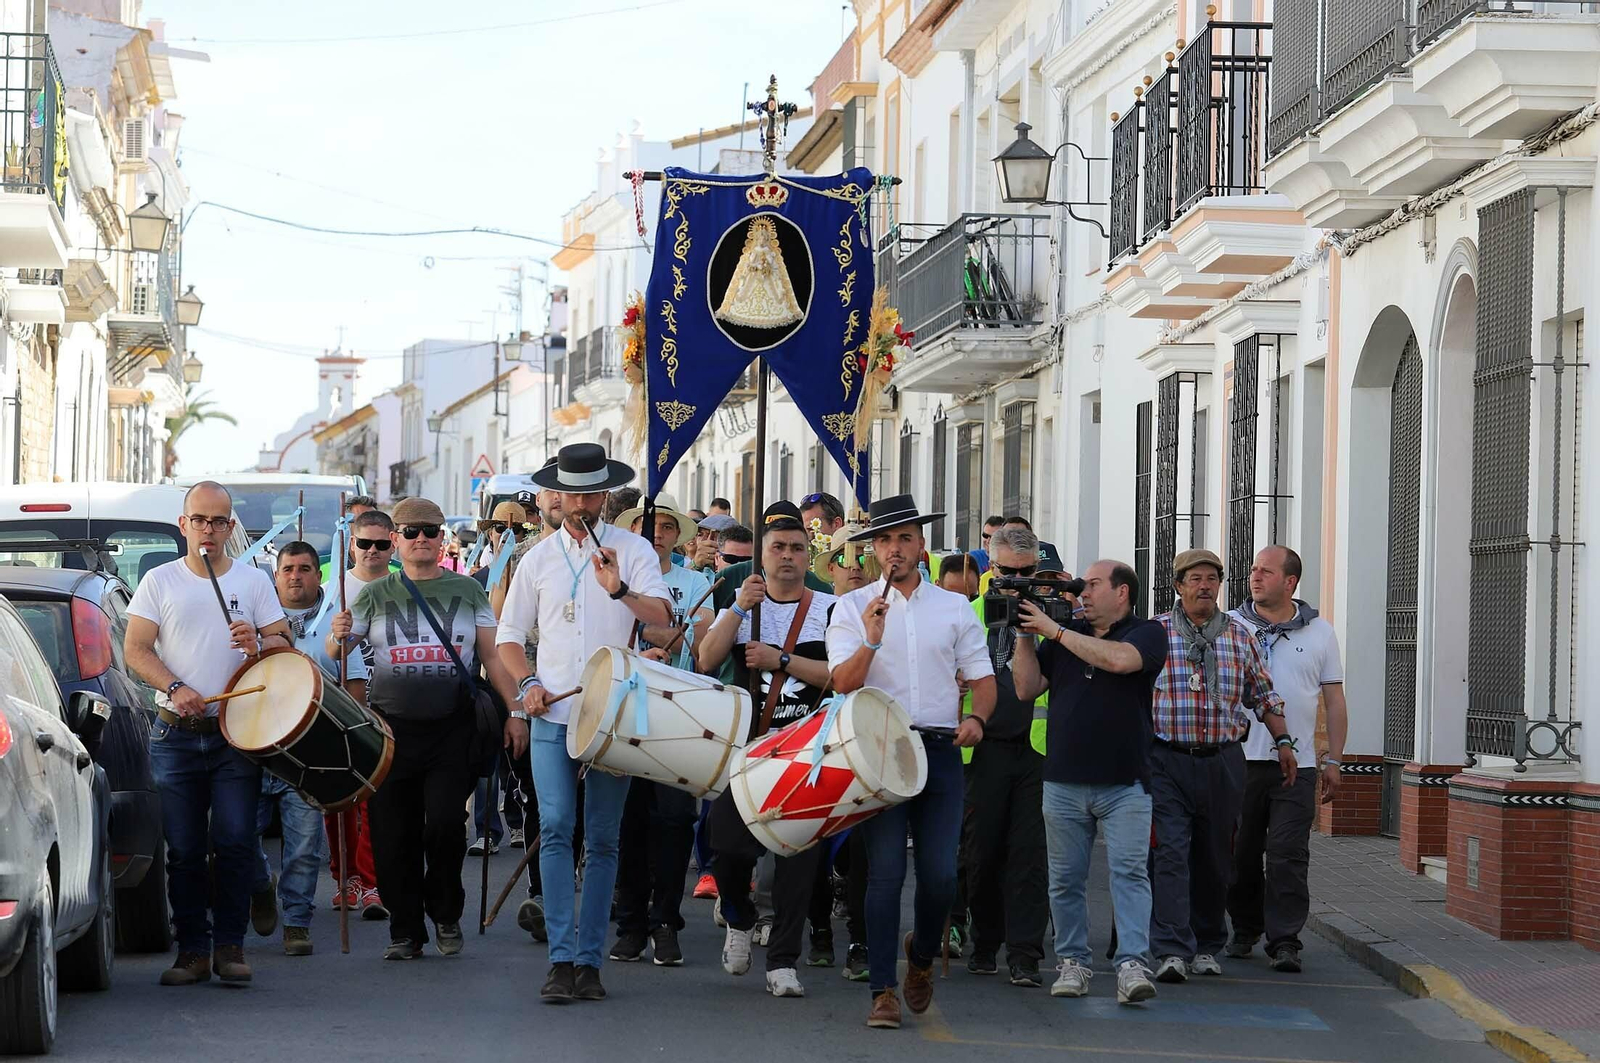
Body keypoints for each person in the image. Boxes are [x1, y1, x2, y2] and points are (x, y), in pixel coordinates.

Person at [495, 443, 672, 1004]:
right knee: (554, 827)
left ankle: (590, 962)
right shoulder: (538, 559)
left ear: (603, 496)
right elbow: (507, 638)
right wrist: (528, 685)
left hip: (612, 715)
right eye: (570, 493)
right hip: (553, 713)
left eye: (589, 493)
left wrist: (618, 588)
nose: (579, 503)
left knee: (601, 839)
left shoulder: (634, 549)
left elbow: (665, 623)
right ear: (556, 496)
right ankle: (560, 958)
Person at [327, 496, 526, 961]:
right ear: (395, 539)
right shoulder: (373, 594)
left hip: (451, 727)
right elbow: (338, 654)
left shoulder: (469, 590)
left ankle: (446, 913)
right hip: (390, 730)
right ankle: (405, 928)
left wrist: (515, 711)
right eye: (411, 532)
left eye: (430, 532)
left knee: (443, 826)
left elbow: (494, 658)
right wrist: (338, 634)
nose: (421, 539)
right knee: (393, 834)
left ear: (443, 540)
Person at [826, 493, 996, 1030]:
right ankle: (882, 990)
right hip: (879, 750)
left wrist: (979, 720)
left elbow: (984, 680)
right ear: (873, 550)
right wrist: (871, 641)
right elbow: (842, 683)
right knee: (885, 874)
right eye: (884, 540)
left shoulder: (952, 607)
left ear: (922, 545)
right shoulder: (853, 610)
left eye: (904, 538)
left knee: (942, 876)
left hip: (941, 749)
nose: (894, 549)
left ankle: (920, 958)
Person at [124, 481, 294, 986]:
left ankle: (229, 947)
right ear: (184, 525)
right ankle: (193, 950)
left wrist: (259, 643)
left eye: (219, 521)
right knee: (184, 848)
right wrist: (175, 687)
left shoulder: (254, 581)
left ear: (231, 527)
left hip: (235, 732)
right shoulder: (159, 581)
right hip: (176, 732)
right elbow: (136, 649)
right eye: (199, 519)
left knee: (237, 838)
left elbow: (284, 642)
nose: (209, 530)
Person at [696, 501, 838, 997]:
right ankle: (738, 916)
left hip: (806, 753)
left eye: (797, 549)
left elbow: (841, 676)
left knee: (799, 862)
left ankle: (782, 962)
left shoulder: (830, 609)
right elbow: (706, 661)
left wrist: (782, 660)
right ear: (761, 555)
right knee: (729, 847)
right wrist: (737, 610)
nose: (787, 557)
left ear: (807, 557)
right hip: (748, 750)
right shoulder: (742, 602)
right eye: (777, 547)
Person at [1009, 558, 1164, 1004]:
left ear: (1122, 593)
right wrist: (1025, 634)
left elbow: (1120, 661)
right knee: (1064, 879)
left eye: (1094, 584)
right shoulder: (1063, 635)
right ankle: (1072, 963)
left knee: (1130, 875)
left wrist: (1054, 630)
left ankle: (1132, 963)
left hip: (1125, 783)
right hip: (1063, 780)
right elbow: (1026, 688)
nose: (1084, 591)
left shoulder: (1147, 632)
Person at [1147, 549, 1292, 984]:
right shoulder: (1154, 634)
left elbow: (1264, 696)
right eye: (1195, 579)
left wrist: (1283, 741)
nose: (1205, 586)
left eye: (1212, 579)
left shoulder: (1239, 636)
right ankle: (1172, 948)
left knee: (1214, 857)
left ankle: (1207, 943)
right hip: (1166, 760)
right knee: (1169, 853)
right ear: (1178, 586)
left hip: (1224, 761)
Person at [1227, 546, 1346, 973]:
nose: (1254, 577)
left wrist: (1334, 760)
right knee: (1240, 854)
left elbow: (1333, 700)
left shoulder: (1320, 633)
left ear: (1290, 582)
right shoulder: (1231, 626)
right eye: (1253, 569)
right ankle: (1244, 926)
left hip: (1299, 764)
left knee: (1287, 854)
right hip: (1238, 759)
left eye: (1266, 571)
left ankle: (1284, 940)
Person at [608, 494, 712, 967]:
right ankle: (630, 922)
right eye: (648, 526)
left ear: (676, 535)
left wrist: (656, 628)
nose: (657, 534)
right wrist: (656, 628)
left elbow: (701, 642)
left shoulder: (695, 583)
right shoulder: (615, 581)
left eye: (666, 527)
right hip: (626, 710)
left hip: (680, 713)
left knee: (673, 822)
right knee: (628, 823)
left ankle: (666, 920)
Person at [257, 541, 372, 956]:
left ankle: (296, 923)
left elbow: (354, 687)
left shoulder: (336, 623)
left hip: (310, 756)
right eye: (288, 568)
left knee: (304, 845)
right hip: (258, 748)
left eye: (305, 568)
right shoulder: (258, 618)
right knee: (237, 838)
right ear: (276, 576)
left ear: (318, 575)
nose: (295, 576)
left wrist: (348, 742)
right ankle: (260, 885)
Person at [950, 527, 1049, 988]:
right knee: (981, 852)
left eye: (1025, 572)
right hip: (982, 751)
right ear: (990, 568)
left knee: (1030, 856)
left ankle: (1026, 953)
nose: (1015, 580)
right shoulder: (965, 615)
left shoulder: (1052, 620)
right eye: (1006, 571)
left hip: (1037, 752)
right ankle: (986, 943)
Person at [811, 525, 880, 980]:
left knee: (864, 849)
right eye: (844, 559)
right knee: (815, 840)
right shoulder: (817, 611)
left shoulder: (887, 609)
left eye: (863, 557)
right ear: (831, 568)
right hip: (823, 732)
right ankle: (818, 929)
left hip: (872, 733)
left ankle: (860, 938)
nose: (854, 567)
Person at [322, 508, 394, 916]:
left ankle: (372, 881)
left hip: (387, 707)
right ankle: (346, 876)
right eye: (364, 543)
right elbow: (323, 647)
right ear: (352, 545)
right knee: (340, 798)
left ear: (392, 545)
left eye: (381, 544)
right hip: (340, 706)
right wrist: (338, 634)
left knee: (377, 802)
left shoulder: (402, 586)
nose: (372, 551)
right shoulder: (337, 587)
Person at [468, 500, 540, 856]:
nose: (507, 536)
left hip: (527, 674)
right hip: (491, 675)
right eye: (499, 529)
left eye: (519, 531)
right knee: (490, 751)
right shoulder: (480, 579)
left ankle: (516, 821)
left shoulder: (533, 569)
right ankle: (486, 828)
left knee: (519, 751)